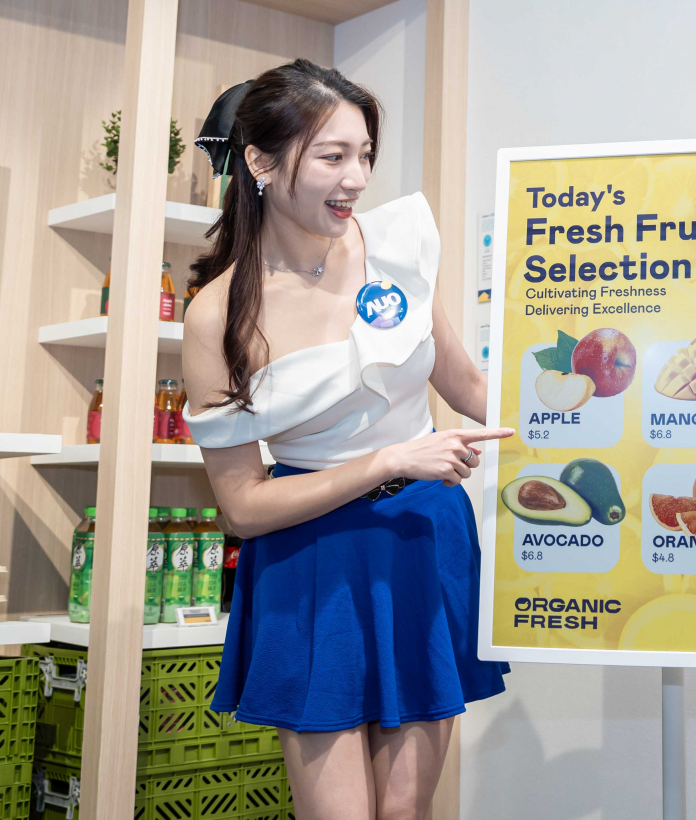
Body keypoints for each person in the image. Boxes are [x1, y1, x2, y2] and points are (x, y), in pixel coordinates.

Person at [181, 60, 510, 820]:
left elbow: (466, 383)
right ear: (260, 163)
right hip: (312, 556)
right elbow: (242, 507)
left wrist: (599, 419)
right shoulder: (218, 316)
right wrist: (389, 460)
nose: (355, 178)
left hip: (423, 539)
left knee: (406, 811)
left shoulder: (394, 245)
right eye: (332, 156)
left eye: (364, 155)